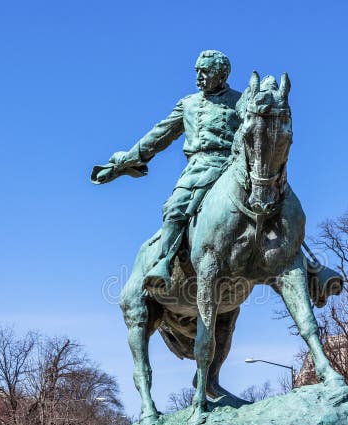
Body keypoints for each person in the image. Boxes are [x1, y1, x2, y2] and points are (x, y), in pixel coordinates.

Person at [92, 50, 242, 291]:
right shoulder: (188, 104)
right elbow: (159, 135)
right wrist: (126, 161)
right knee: (174, 209)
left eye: (205, 72)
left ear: (221, 74)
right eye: (197, 71)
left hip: (233, 167)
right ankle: (164, 263)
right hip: (199, 167)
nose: (199, 77)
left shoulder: (241, 101)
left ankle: (308, 268)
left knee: (276, 199)